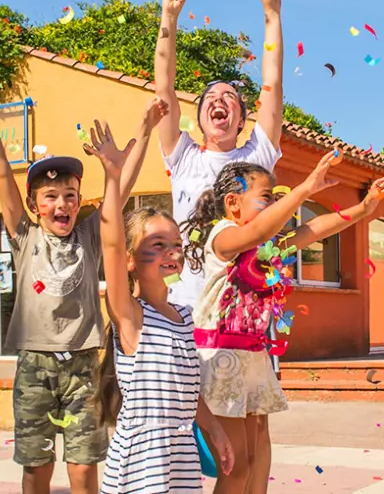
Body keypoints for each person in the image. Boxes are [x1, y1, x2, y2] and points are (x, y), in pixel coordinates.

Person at [0, 80, 167, 494]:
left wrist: (145, 131)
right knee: (36, 468)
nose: (62, 204)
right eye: (52, 196)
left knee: (82, 469)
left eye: (70, 195)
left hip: (83, 365)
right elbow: (3, 174)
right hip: (34, 367)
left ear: (79, 200)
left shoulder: (91, 235)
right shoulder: (24, 236)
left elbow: (122, 185)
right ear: (34, 204)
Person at [183, 155, 384, 493]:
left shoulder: (263, 244)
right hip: (221, 358)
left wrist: (364, 209)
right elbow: (260, 228)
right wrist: (306, 188)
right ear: (232, 202)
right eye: (265, 196)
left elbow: (311, 230)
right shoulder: (222, 236)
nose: (274, 203)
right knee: (234, 466)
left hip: (252, 357)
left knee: (258, 459)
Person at [86, 121, 235, 493]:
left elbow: (187, 387)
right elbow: (111, 245)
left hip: (180, 453)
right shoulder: (130, 314)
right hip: (143, 457)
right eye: (156, 244)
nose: (171, 252)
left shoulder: (183, 316)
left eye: (176, 244)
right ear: (131, 260)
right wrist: (113, 178)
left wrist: (214, 429)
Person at [155, 0, 286, 308]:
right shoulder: (183, 156)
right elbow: (164, 88)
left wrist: (271, 14)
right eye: (209, 98)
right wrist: (168, 18)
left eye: (230, 97)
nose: (218, 100)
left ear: (242, 119)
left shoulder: (256, 158)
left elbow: (273, 85)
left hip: (244, 309)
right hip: (186, 307)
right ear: (198, 119)